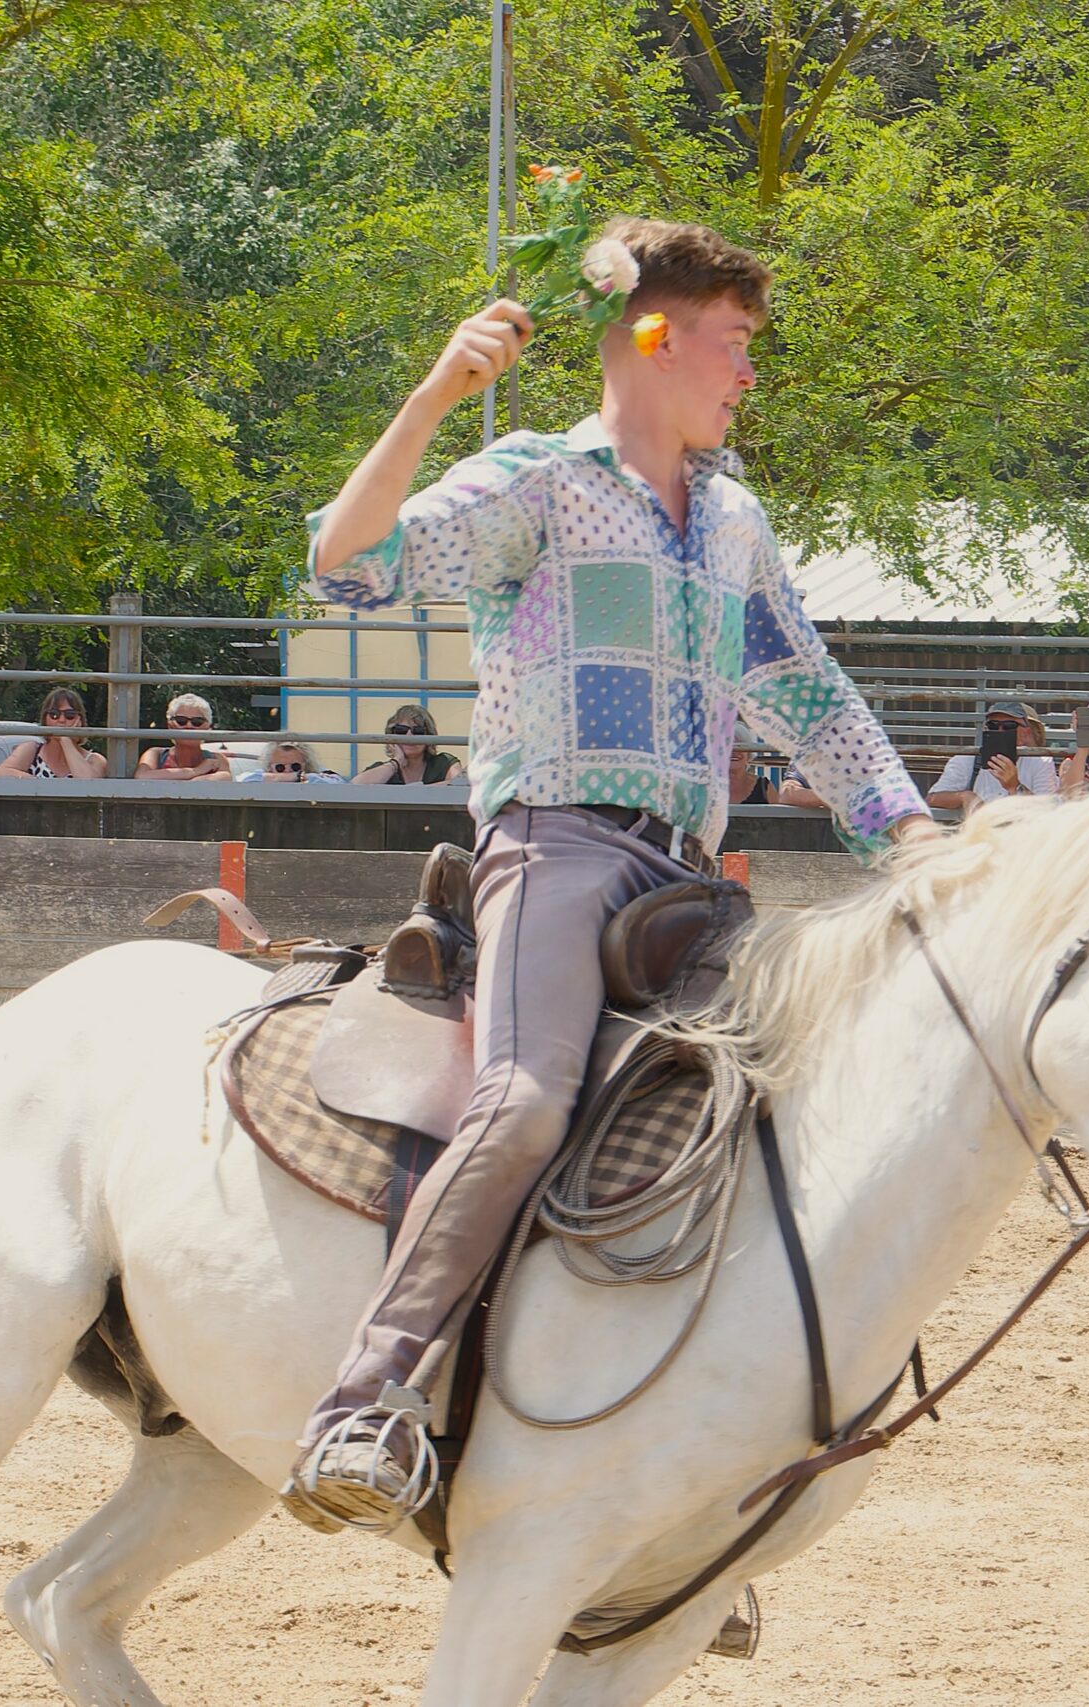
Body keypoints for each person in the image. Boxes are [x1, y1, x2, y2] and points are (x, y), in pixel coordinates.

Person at [284, 217, 934, 1534]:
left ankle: (687, 1484)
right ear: (654, 336)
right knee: (524, 1102)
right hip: (561, 847)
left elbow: (808, 691)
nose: (750, 374)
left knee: (787, 1113)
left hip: (690, 883)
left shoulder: (736, 519)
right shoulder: (538, 481)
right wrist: (434, 397)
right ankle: (364, 1399)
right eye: (735, 344)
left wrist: (913, 835)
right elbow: (350, 564)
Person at [928, 700, 1057, 815]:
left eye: (1009, 726)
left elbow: (1047, 811)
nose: (1000, 731)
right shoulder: (967, 758)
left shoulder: (1041, 762)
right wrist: (966, 797)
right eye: (993, 726)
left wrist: (1014, 786)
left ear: (1025, 733)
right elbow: (932, 798)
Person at [0, 684, 107, 779]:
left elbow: (88, 786)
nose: (61, 720)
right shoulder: (32, 749)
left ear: (80, 720)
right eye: (54, 714)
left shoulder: (94, 760)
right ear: (45, 719)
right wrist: (43, 786)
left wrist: (66, 740)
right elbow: (2, 773)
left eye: (69, 715)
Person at [353, 703, 465, 784]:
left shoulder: (444, 762)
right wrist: (396, 762)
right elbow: (356, 785)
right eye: (401, 730)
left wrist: (417, 792)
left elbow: (460, 785)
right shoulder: (384, 769)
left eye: (418, 731)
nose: (409, 736)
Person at [135, 692, 234, 779]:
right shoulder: (156, 754)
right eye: (181, 721)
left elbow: (225, 778)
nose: (189, 726)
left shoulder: (217, 759)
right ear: (170, 725)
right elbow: (142, 776)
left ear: (208, 727)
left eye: (197, 722)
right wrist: (197, 771)